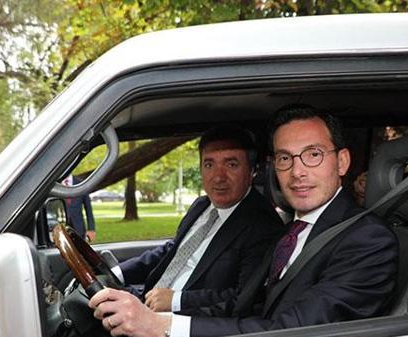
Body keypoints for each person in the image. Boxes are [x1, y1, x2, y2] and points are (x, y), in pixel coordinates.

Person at [88, 105, 398, 337]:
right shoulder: (293, 231)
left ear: (342, 162)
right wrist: (156, 318)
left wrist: (164, 327)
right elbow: (242, 305)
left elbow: (289, 333)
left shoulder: (367, 242)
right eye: (285, 158)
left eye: (313, 154)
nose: (297, 172)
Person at [115, 125, 284, 313]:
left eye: (231, 165)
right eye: (209, 165)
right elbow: (174, 251)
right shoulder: (201, 205)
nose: (218, 178)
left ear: (253, 171)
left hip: (181, 319)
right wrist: (118, 273)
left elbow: (245, 298)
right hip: (146, 300)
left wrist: (177, 300)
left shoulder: (264, 226)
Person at [63, 174, 97, 242]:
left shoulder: (81, 184)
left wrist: (91, 229)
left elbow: (88, 209)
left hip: (79, 229)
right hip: (61, 229)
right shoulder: (55, 184)